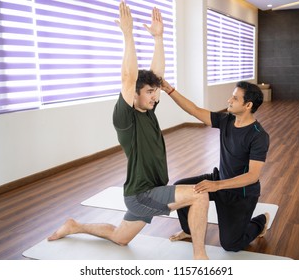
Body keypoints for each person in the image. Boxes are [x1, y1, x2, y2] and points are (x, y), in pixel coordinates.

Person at [48, 1, 209, 260]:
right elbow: (128, 77)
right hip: (143, 193)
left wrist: (158, 38)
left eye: (156, 93)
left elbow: (155, 75)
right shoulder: (126, 117)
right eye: (149, 92)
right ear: (133, 94)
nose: (155, 97)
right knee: (200, 196)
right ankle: (200, 258)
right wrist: (128, 34)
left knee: (120, 238)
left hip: (140, 194)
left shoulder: (148, 110)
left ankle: (74, 226)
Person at [160, 79, 270, 252]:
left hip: (240, 194)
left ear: (248, 105)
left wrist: (216, 185)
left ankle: (260, 222)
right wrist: (169, 89)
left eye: (234, 98)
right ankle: (189, 230)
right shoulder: (226, 120)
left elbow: (252, 176)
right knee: (179, 188)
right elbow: (194, 110)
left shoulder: (258, 136)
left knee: (230, 244)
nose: (229, 100)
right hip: (219, 181)